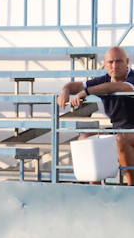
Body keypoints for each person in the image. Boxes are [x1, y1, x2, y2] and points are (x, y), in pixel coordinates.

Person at [57, 46, 134, 185]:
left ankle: (131, 185)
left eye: (119, 61)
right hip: (118, 130)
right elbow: (77, 85)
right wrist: (65, 90)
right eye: (110, 62)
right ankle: (94, 188)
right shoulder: (104, 79)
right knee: (85, 138)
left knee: (121, 138)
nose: (114, 65)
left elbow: (118, 87)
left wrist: (86, 92)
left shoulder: (132, 79)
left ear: (127, 62)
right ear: (105, 64)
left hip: (131, 130)